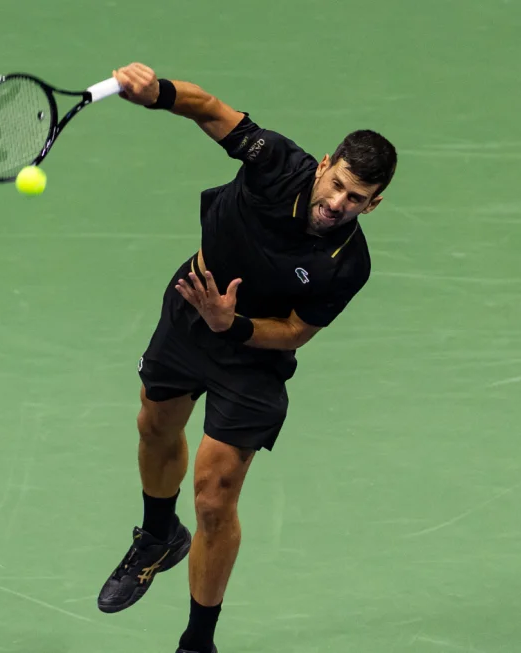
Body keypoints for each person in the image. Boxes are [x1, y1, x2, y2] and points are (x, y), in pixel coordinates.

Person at [95, 63, 398, 653]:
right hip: (190, 309)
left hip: (250, 355)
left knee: (215, 495)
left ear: (374, 203)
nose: (339, 203)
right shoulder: (276, 162)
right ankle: (158, 533)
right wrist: (153, 91)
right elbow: (208, 107)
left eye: (357, 199)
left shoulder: (348, 264)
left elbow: (291, 333)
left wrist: (230, 325)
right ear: (325, 166)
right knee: (154, 425)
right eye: (337, 184)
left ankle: (197, 641)